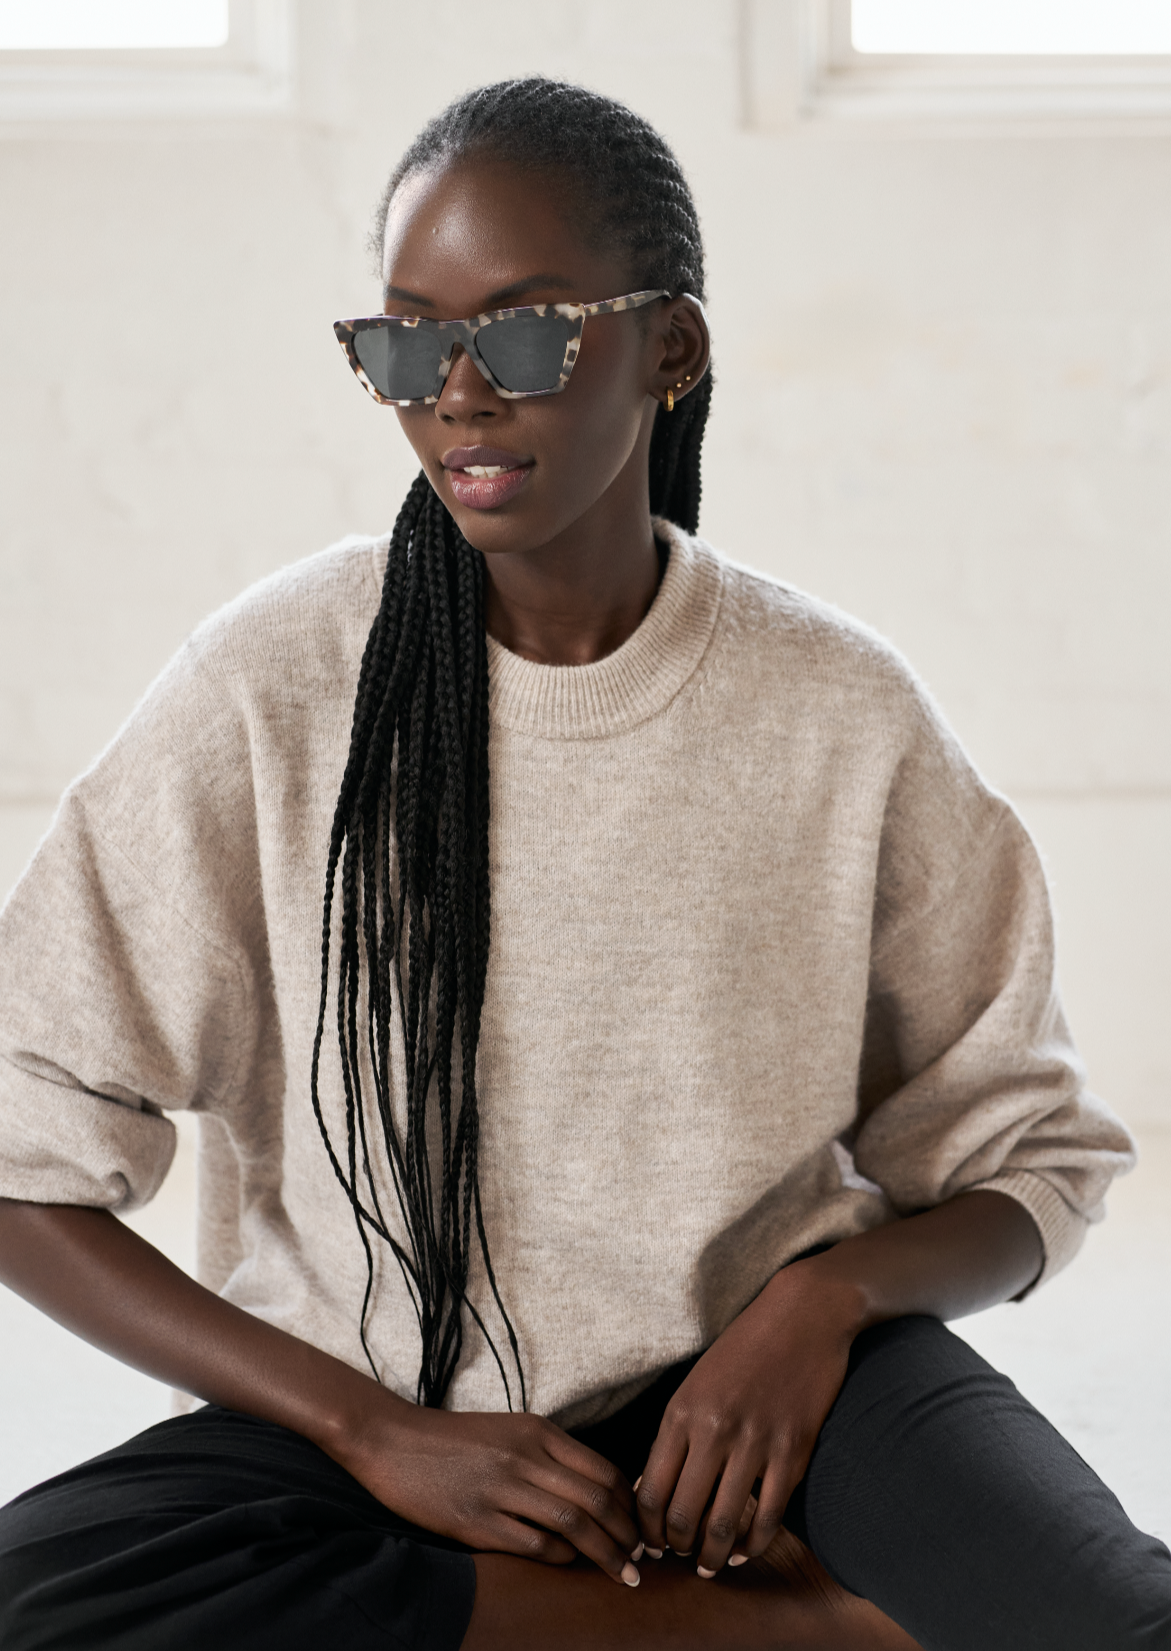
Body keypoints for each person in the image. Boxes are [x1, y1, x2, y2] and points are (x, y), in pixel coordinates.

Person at [0, 76, 1166, 1651]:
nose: (460, 392)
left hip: (773, 1410)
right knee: (41, 1599)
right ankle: (792, 1633)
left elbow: (1030, 1159)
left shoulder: (835, 709)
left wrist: (820, 1306)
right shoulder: (274, 682)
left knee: (1105, 1621)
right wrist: (371, 1431)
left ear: (668, 350)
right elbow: (19, 1158)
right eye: (406, 342)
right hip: (384, 1435)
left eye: (528, 332)